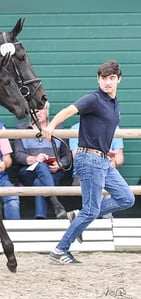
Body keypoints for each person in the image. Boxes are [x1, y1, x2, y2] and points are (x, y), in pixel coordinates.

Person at [42, 60, 135, 264]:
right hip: (89, 160)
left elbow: (101, 129)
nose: (107, 82)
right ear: (98, 79)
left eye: (111, 78)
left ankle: (78, 215)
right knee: (92, 210)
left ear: (119, 79)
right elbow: (69, 111)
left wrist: (107, 151)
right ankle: (60, 249)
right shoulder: (93, 99)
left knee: (127, 198)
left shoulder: (114, 103)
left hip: (103, 159)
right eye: (103, 78)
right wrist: (51, 127)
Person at [14, 102, 69, 219]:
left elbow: (67, 156)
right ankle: (56, 204)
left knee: (39, 182)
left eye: (41, 109)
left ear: (47, 111)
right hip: (28, 172)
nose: (37, 112)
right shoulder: (21, 129)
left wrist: (60, 164)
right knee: (40, 165)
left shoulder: (58, 129)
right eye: (34, 109)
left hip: (53, 172)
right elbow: (18, 156)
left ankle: (40, 217)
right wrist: (35, 159)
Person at [69, 122, 124, 220]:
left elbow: (119, 157)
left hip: (108, 169)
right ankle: (106, 218)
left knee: (124, 196)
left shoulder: (114, 127)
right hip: (85, 170)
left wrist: (111, 164)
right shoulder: (75, 128)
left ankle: (81, 216)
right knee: (99, 175)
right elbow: (76, 156)